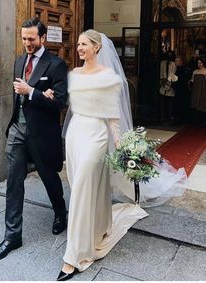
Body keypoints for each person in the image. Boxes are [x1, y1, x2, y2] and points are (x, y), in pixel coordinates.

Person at [45, 29, 148, 281]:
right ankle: (100, 226)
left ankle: (73, 256)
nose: (79, 48)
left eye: (84, 44)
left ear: (97, 48)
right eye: (78, 44)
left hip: (96, 137)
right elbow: (68, 103)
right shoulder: (75, 74)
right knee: (86, 187)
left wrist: (122, 145)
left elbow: (112, 115)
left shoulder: (108, 75)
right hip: (75, 135)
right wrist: (50, 95)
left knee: (81, 189)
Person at [0, 18, 68, 262]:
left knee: (48, 178)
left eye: (31, 39)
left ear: (42, 38)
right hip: (17, 130)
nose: (27, 43)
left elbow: (60, 102)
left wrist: (32, 92)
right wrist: (35, 95)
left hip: (41, 135)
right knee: (14, 182)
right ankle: (12, 236)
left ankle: (60, 213)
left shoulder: (56, 65)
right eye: (24, 39)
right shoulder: (19, 61)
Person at [159, 51, 178, 124]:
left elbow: (173, 74)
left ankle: (170, 115)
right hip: (162, 83)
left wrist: (168, 82)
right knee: (162, 100)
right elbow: (161, 72)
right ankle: (162, 116)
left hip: (170, 84)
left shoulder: (173, 64)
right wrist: (163, 81)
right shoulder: (162, 63)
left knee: (170, 101)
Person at [173, 55, 191, 124]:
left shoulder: (184, 69)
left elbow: (182, 80)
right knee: (178, 104)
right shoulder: (177, 69)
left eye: (177, 61)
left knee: (181, 104)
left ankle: (181, 119)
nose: (176, 62)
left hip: (182, 90)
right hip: (178, 90)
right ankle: (178, 119)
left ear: (181, 62)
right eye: (175, 61)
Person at [189, 57, 206, 124]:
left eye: (201, 63)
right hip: (196, 89)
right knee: (195, 104)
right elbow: (192, 80)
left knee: (202, 104)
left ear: (203, 63)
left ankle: (203, 120)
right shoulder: (195, 71)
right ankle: (196, 120)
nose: (199, 64)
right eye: (198, 63)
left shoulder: (205, 71)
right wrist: (190, 81)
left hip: (203, 90)